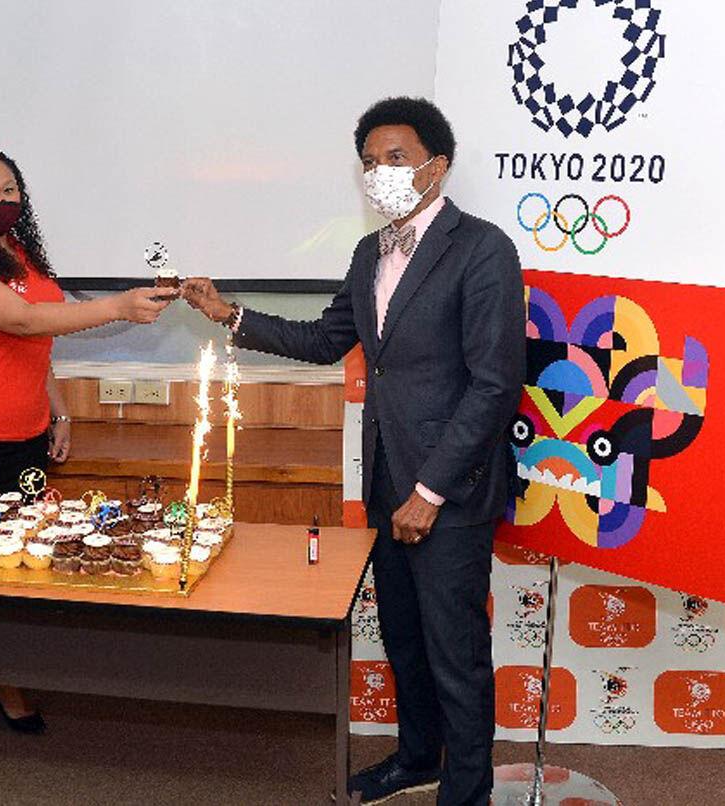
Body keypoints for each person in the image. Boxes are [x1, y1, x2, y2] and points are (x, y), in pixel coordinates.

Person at [182, 98, 524, 805]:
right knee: (403, 638)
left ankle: (467, 792)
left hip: (447, 494)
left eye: (396, 159)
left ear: (438, 164)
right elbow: (325, 339)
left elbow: (493, 386)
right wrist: (230, 314)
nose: (381, 174)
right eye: (370, 163)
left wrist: (429, 493)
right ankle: (417, 757)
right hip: (384, 483)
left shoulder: (484, 248)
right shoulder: (372, 251)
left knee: (455, 655)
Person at [0, 146, 175, 755]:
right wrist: (117, 306)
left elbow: (36, 344)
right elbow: (25, 321)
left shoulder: (23, 257)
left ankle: (3, 681)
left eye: (8, 190)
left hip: (23, 440)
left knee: (14, 569)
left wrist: (58, 408)